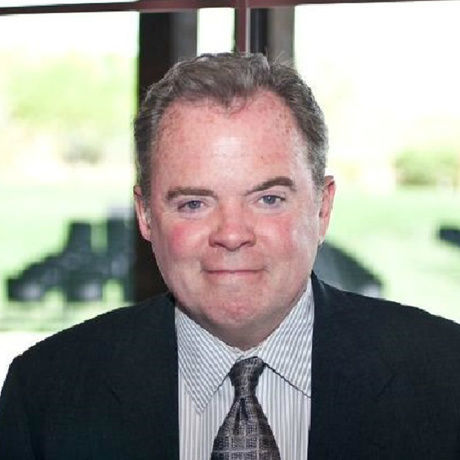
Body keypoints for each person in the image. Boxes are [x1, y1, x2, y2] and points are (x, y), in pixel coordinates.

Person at [1, 53, 459, 459]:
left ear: (322, 208)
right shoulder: (45, 393)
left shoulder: (446, 376)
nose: (232, 234)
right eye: (193, 204)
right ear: (145, 216)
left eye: (268, 199)